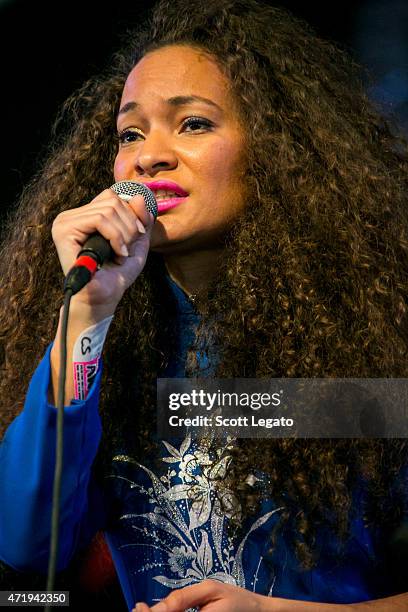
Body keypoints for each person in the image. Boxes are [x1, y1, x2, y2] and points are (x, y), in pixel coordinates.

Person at [0, 0, 408, 610]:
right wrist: (87, 314)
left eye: (192, 123)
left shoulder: (366, 336)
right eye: (129, 133)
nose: (148, 155)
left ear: (275, 148)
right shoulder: (109, 344)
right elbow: (27, 544)